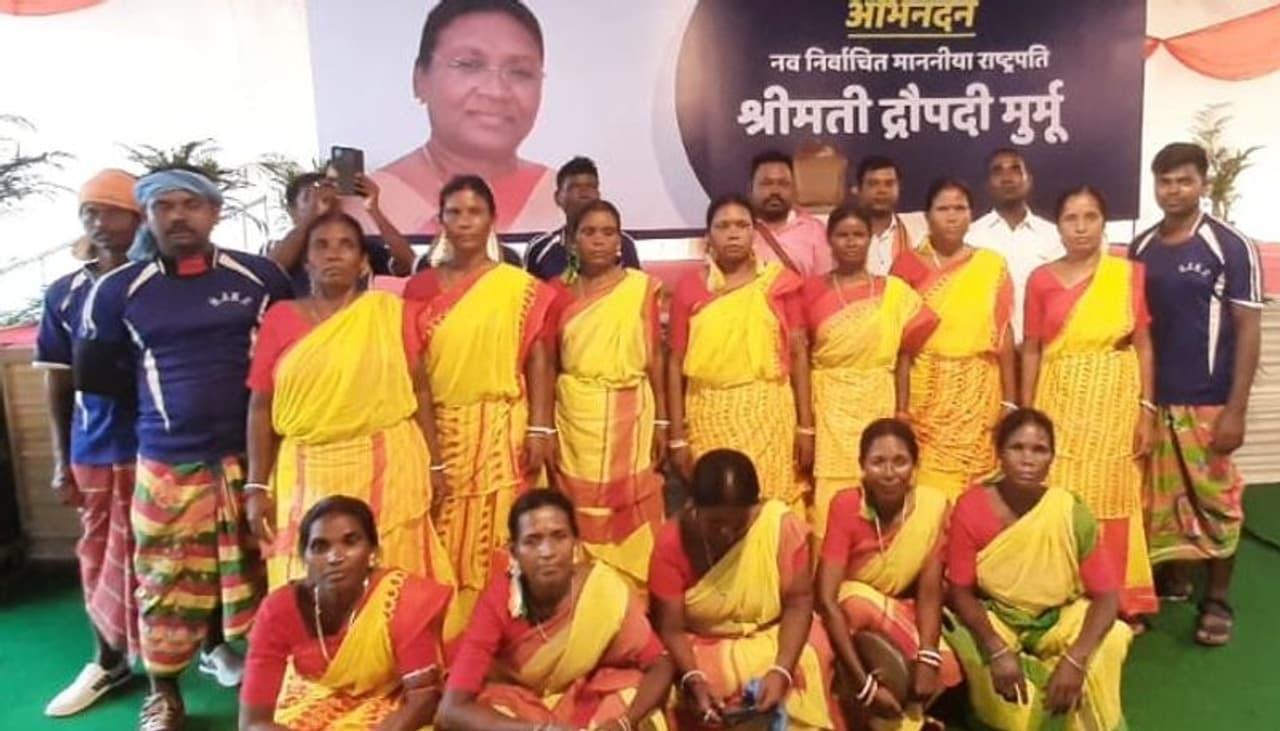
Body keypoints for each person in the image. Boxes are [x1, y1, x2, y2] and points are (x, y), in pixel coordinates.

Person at [76, 169, 294, 731]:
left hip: (257, 462)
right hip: (167, 463)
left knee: (266, 572)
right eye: (164, 206)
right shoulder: (118, 290)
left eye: (191, 204)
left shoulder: (261, 277)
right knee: (164, 580)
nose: (178, 216)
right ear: (147, 217)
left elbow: (293, 361)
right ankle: (165, 696)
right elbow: (99, 378)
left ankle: (273, 689)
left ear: (214, 212)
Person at [243, 210, 453, 596]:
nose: (333, 254)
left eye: (346, 245)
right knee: (306, 574)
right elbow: (260, 406)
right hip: (306, 470)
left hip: (387, 466)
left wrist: (435, 463)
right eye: (321, 246)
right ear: (307, 261)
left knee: (392, 573)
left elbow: (420, 391)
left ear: (362, 262)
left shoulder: (389, 314)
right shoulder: (280, 318)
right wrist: (256, 486)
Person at [402, 174, 556, 622]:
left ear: (492, 219)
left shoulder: (518, 286)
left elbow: (539, 359)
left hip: (502, 430)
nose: (465, 221)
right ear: (441, 220)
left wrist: (540, 427)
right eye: (454, 212)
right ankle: (452, 628)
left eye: (475, 212)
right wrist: (429, 453)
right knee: (442, 531)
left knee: (507, 527)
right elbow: (415, 375)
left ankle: (508, 623)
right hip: (441, 431)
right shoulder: (419, 288)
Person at [1129, 142, 1263, 646]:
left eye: (1184, 180)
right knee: (1160, 500)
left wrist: (1236, 409)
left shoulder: (1230, 245)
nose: (1173, 190)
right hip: (1155, 398)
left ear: (1203, 184)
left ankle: (1218, 598)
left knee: (1216, 500)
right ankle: (1177, 577)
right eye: (1164, 181)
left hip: (1209, 400)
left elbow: (1247, 329)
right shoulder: (1142, 247)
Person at [945, 409, 1132, 731]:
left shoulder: (1068, 510)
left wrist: (1075, 660)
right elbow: (959, 590)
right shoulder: (971, 507)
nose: (1028, 460)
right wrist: (996, 648)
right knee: (1017, 717)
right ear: (999, 453)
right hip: (997, 618)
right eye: (1017, 448)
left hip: (1056, 618)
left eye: (1039, 450)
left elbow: (1107, 596)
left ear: (1051, 458)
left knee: (1112, 636)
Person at [1022, 186, 1158, 623]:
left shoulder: (1126, 275)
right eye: (1071, 218)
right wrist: (1026, 415)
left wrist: (1147, 409)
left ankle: (1118, 599)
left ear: (1103, 222)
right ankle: (1064, 591)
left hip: (1114, 400)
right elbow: (1031, 349)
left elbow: (1144, 344)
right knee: (1061, 495)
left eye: (1090, 217)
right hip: (1058, 399)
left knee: (1114, 496)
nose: (1081, 228)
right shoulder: (1041, 279)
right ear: (1058, 226)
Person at [35, 170, 141, 718]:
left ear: (138, 218)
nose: (99, 222)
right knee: (99, 556)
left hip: (161, 446)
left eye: (111, 210)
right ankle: (108, 659)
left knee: (173, 556)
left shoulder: (160, 284)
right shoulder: (64, 293)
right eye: (89, 212)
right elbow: (57, 378)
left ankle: (203, 650)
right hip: (95, 446)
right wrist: (61, 460)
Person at [436, 489, 674, 731]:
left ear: (576, 544)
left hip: (583, 698)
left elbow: (660, 663)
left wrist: (624, 722)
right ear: (513, 552)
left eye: (559, 537)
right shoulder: (500, 599)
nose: (547, 552)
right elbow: (451, 709)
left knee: (637, 702)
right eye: (532, 541)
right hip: (517, 708)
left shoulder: (602, 590)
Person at [650, 450, 838, 730]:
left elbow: (799, 604)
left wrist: (781, 671)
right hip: (702, 646)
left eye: (738, 524)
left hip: (773, 638)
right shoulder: (671, 541)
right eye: (715, 523)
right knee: (702, 680)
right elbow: (671, 629)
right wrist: (694, 678)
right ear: (692, 507)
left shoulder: (779, 527)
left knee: (812, 652)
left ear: (756, 508)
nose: (726, 532)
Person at [239, 496, 452, 731]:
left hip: (391, 701)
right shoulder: (278, 609)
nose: (335, 557)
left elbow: (424, 699)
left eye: (350, 542)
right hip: (315, 694)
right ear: (304, 558)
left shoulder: (402, 599)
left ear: (373, 551)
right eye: (320, 547)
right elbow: (254, 722)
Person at [546, 200, 666, 589]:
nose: (599, 240)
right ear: (573, 241)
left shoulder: (640, 288)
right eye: (589, 232)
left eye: (608, 232)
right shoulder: (556, 294)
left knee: (633, 502)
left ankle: (634, 592)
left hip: (632, 414)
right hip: (576, 417)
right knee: (580, 506)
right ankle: (586, 593)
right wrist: (544, 428)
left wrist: (664, 422)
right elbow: (548, 364)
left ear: (619, 242)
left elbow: (656, 358)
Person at [667, 195, 814, 512]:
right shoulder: (689, 288)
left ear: (754, 233)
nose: (732, 234)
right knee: (719, 505)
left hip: (769, 412)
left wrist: (806, 426)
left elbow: (799, 355)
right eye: (722, 226)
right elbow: (674, 362)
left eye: (741, 225)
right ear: (708, 236)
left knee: (772, 505)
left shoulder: (779, 284)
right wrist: (677, 436)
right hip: (709, 413)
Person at [815, 419, 961, 731]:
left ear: (915, 466)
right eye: (878, 462)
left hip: (899, 609)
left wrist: (928, 655)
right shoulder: (846, 505)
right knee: (854, 599)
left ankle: (906, 718)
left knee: (946, 667)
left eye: (900, 461)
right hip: (843, 616)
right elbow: (827, 598)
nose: (889, 472)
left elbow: (930, 590)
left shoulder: (933, 507)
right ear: (862, 466)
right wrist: (865, 686)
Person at [802, 206, 938, 538]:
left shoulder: (895, 292)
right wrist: (805, 423)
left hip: (879, 398)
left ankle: (885, 560)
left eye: (859, 235)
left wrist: (902, 409)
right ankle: (831, 560)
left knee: (884, 481)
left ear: (870, 239)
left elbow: (905, 355)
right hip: (830, 405)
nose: (851, 242)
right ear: (829, 240)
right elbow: (800, 358)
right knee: (832, 493)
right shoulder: (810, 291)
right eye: (842, 235)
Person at [374, 0, 559, 234]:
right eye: (469, 65)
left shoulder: (559, 196)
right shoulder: (372, 202)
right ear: (420, 79)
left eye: (520, 72)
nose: (496, 91)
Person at [891, 179, 1017, 499]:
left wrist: (1009, 402)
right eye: (943, 208)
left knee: (978, 489)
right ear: (927, 216)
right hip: (926, 390)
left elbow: (1004, 333)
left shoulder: (992, 264)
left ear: (971, 215)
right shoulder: (907, 265)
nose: (952, 216)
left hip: (979, 390)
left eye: (960, 208)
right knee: (929, 491)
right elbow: (900, 346)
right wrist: (901, 407)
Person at [968, 149, 1064, 343]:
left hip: (1044, 349)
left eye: (1015, 169)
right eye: (998, 171)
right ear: (987, 185)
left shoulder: (1054, 236)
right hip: (988, 351)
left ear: (1029, 181)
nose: (1007, 178)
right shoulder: (971, 237)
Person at [266, 171, 417, 293]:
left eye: (331, 198)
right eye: (309, 197)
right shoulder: (277, 247)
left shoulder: (360, 245)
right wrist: (312, 216)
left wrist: (373, 208)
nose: (324, 202)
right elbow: (267, 273)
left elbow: (408, 264)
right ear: (292, 212)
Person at [524, 156, 643, 281]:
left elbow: (637, 288)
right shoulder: (540, 248)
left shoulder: (623, 244)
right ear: (558, 197)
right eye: (574, 187)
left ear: (598, 195)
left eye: (591, 186)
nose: (584, 193)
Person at [749, 149, 832, 276]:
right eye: (767, 183)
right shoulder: (740, 229)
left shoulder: (816, 230)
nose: (775, 191)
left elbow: (825, 282)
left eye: (783, 184)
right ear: (751, 188)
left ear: (794, 188)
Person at [850, 156, 927, 276]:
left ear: (899, 188)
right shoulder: (843, 235)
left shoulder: (919, 232)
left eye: (889, 184)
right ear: (858, 189)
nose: (882, 190)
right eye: (873, 184)